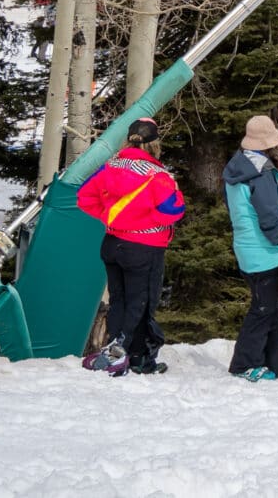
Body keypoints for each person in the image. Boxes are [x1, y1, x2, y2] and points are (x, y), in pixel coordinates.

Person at [75, 117, 186, 377]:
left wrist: (110, 216)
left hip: (113, 243)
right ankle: (132, 357)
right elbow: (173, 210)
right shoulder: (157, 175)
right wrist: (172, 196)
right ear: (154, 143)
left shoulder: (110, 167)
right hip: (144, 246)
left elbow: (84, 197)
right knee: (142, 304)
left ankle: (119, 351)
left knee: (120, 301)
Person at [223, 114, 278, 381]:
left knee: (270, 306)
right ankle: (244, 363)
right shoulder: (260, 172)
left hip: (246, 247)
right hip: (265, 252)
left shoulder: (236, 167)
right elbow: (268, 214)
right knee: (263, 309)